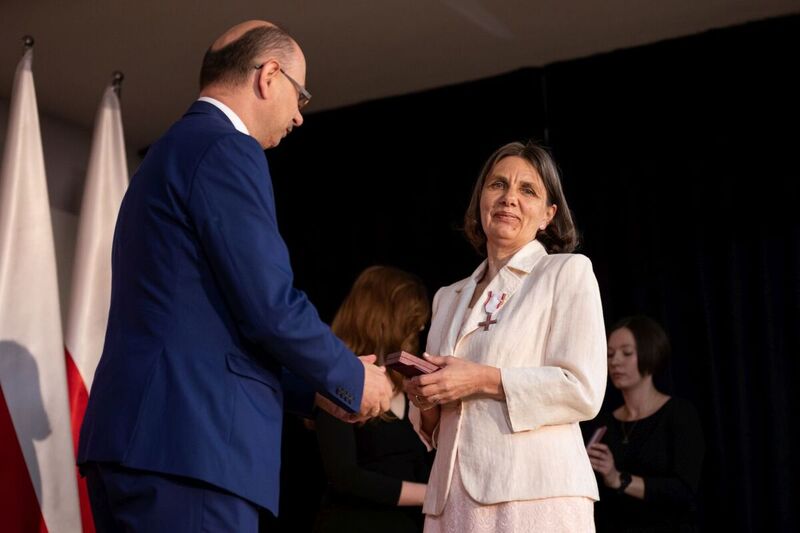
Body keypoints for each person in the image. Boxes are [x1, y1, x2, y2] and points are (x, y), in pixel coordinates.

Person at [77, 20, 393, 532]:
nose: (298, 117)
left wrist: (313, 392)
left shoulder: (169, 151)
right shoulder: (227, 149)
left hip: (140, 443)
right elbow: (269, 306)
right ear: (269, 76)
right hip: (190, 449)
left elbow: (206, 318)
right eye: (301, 95)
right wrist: (352, 379)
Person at [405, 141, 607, 531]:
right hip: (452, 499)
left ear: (548, 215)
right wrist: (424, 396)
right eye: (497, 185)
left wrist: (481, 378)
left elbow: (581, 388)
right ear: (481, 199)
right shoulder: (448, 297)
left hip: (534, 493)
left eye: (527, 190)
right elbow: (434, 422)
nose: (509, 198)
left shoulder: (566, 273)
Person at [313, 265, 433, 533]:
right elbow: (344, 476)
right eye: (412, 319)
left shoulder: (410, 384)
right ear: (383, 318)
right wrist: (430, 496)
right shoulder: (338, 378)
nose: (421, 326)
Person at [586, 316, 704, 532]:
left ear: (650, 353)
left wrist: (617, 479)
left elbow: (684, 490)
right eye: (610, 354)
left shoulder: (679, 414)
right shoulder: (602, 422)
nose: (615, 361)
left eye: (626, 353)